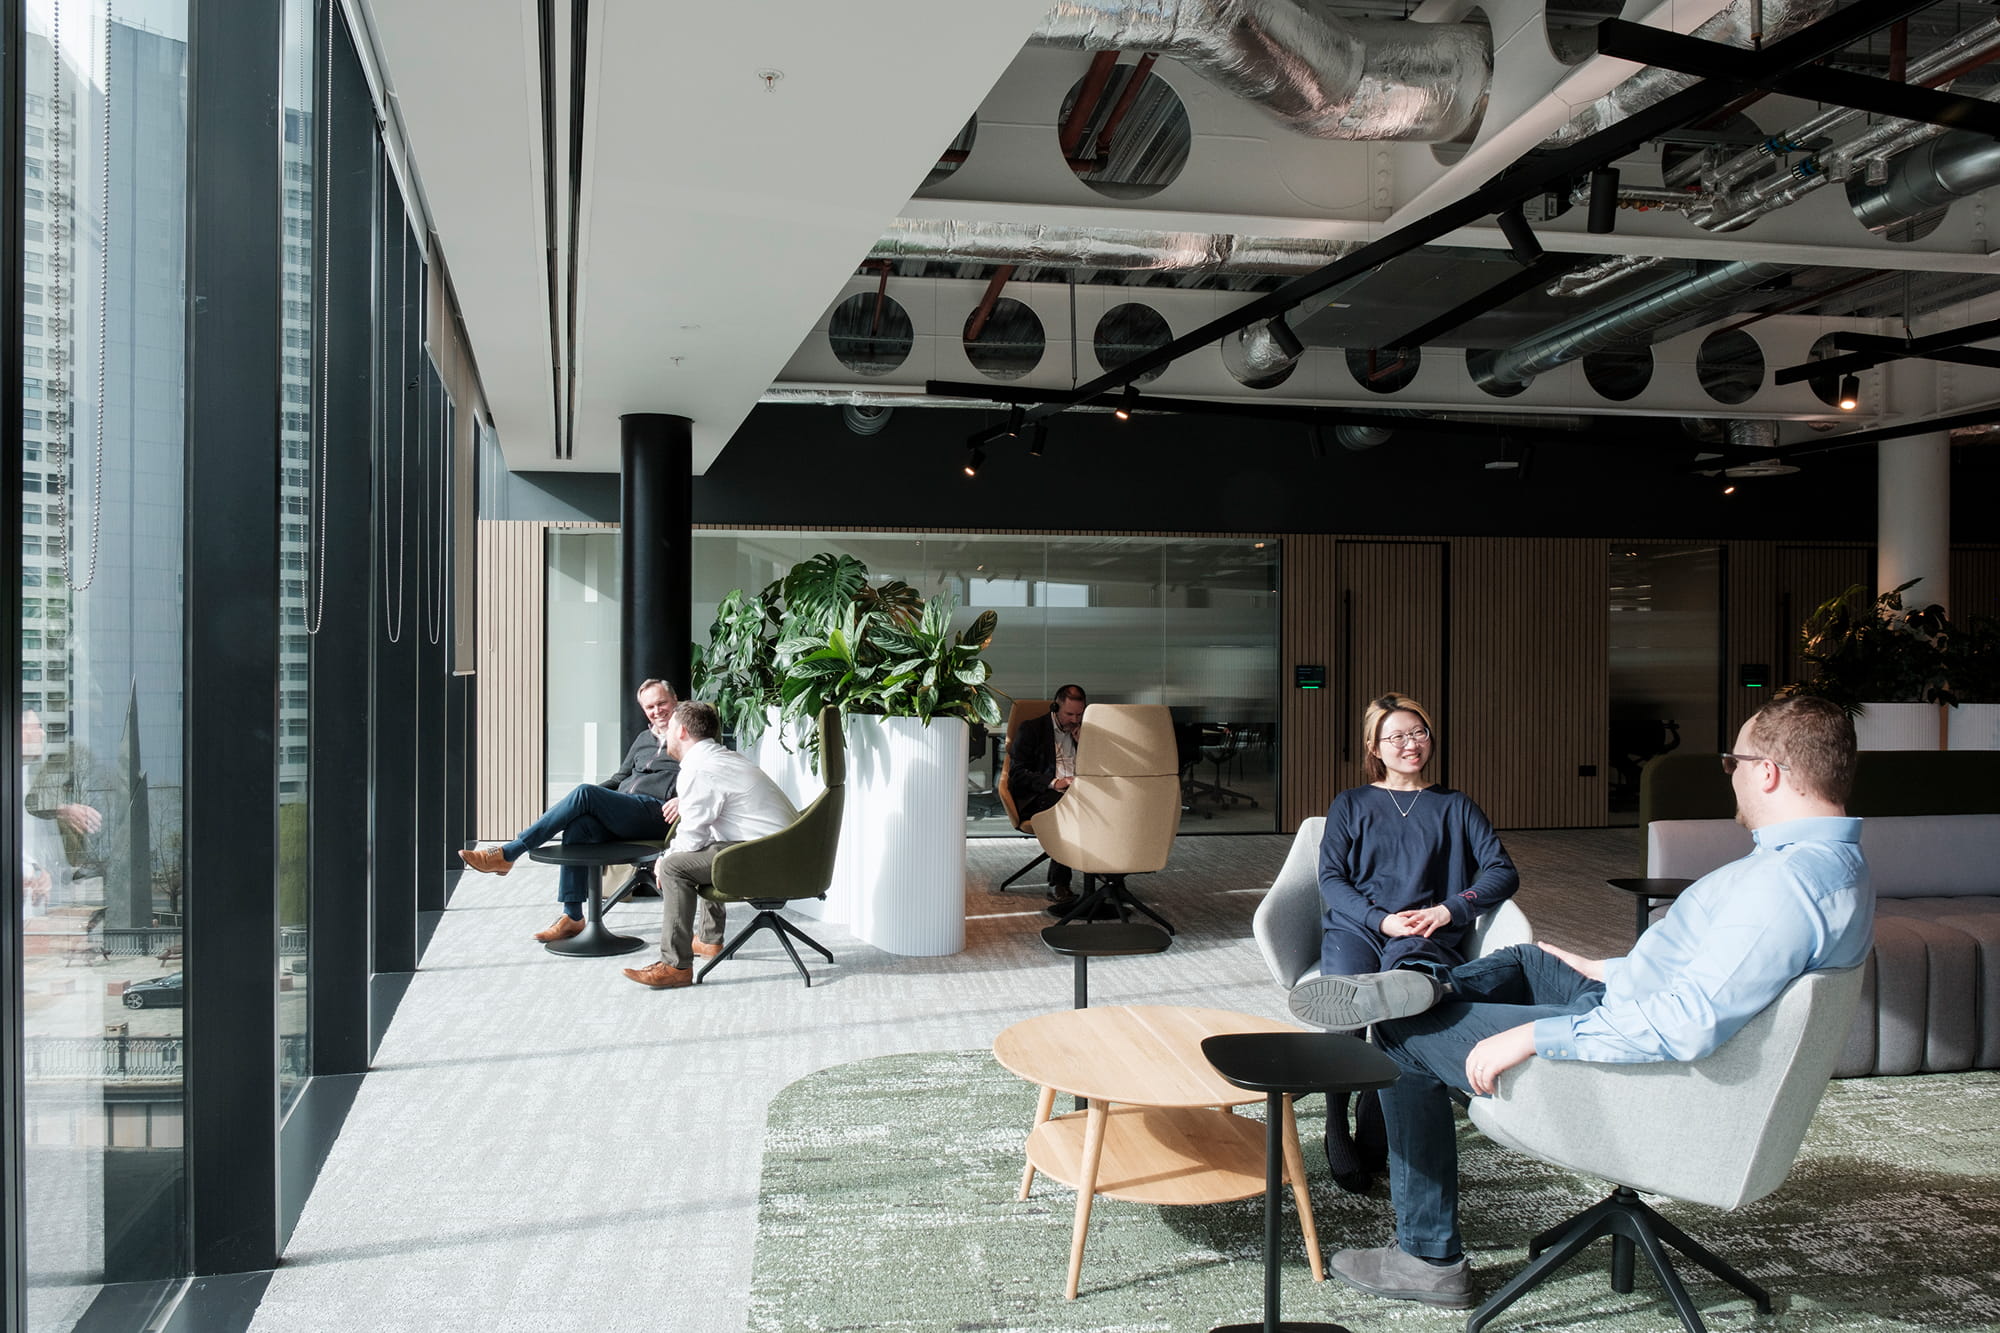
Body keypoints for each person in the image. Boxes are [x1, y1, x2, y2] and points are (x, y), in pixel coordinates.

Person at [1288, 694, 1873, 1311]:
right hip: (1632, 1001)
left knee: (1405, 1033)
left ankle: (1427, 1256)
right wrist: (1602, 968)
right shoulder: (1822, 864)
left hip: (1647, 1049)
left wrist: (1534, 1037)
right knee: (1529, 959)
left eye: (1734, 760)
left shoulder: (1783, 886)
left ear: (1768, 772)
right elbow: (1712, 977)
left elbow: (1685, 1026)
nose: (1729, 773)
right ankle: (1430, 984)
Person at [1312, 693, 1518, 1193]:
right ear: (1374, 747)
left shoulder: (1455, 806)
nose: (1411, 744)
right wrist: (1379, 921)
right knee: (1345, 1002)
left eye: (1418, 732)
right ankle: (1336, 1121)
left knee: (1398, 1011)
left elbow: (1502, 872)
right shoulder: (1352, 804)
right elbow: (1331, 879)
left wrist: (1450, 908)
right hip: (1361, 926)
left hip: (1424, 933)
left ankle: (1375, 1115)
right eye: (1397, 737)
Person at [458, 678, 714, 948]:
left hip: (657, 813)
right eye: (649, 706)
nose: (657, 710)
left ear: (675, 701)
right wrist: (589, 800)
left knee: (585, 793)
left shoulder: (689, 734)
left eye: (662, 703)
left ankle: (509, 853)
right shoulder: (643, 739)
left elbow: (709, 774)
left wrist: (684, 800)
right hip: (626, 810)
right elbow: (620, 777)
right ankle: (572, 916)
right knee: (579, 823)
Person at [623, 700, 799, 991]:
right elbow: (700, 835)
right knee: (703, 850)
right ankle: (707, 940)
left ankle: (675, 966)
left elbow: (690, 837)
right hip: (780, 850)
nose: (662, 732)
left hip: (769, 856)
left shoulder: (700, 768)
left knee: (675, 867)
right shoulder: (720, 758)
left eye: (668, 727)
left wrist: (664, 859)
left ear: (681, 732)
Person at [1004, 683, 1093, 908]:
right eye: (1069, 714)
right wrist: (1055, 783)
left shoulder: (1086, 731)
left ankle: (1110, 877)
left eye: (1080, 714)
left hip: (1081, 794)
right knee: (1067, 811)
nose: (1075, 719)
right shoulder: (1032, 729)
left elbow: (1101, 769)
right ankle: (1058, 883)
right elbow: (1017, 774)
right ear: (1055, 707)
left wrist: (1085, 745)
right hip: (1042, 794)